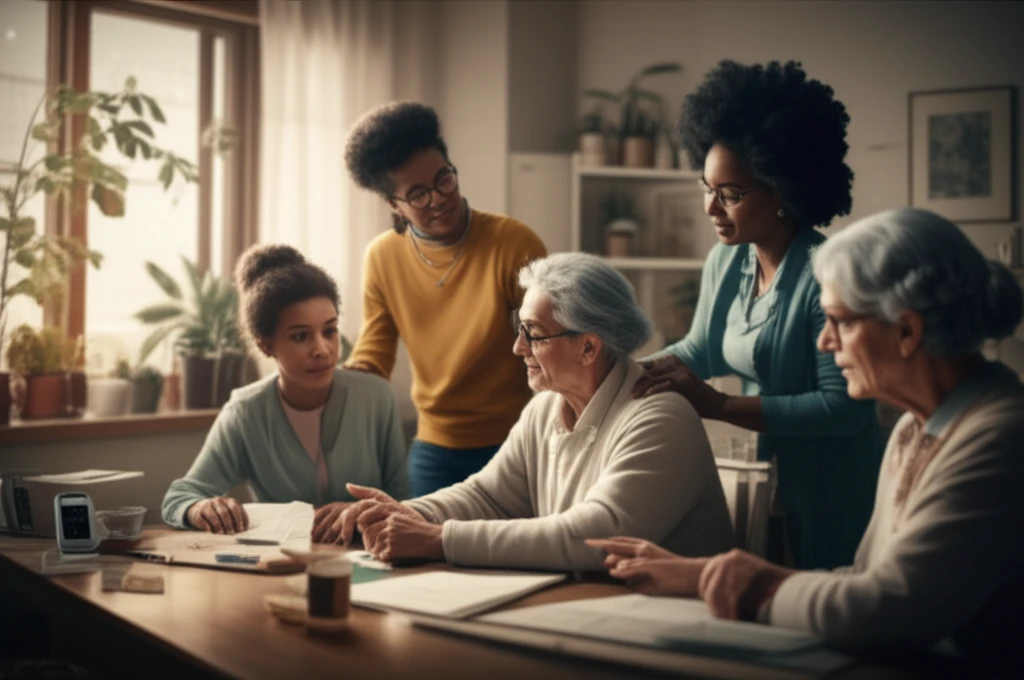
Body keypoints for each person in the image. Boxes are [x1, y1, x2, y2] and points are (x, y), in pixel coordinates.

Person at [591, 208, 1024, 673]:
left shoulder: (1000, 437)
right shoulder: (916, 427)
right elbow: (864, 580)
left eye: (839, 321)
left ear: (906, 331)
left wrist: (730, 581)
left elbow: (888, 607)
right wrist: (697, 573)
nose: (825, 343)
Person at [317, 253, 735, 570]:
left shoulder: (660, 418)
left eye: (533, 333)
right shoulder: (544, 408)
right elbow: (487, 495)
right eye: (520, 328)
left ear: (588, 347)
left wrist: (438, 538)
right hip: (596, 612)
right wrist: (403, 513)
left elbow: (596, 534)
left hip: (674, 632)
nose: (518, 347)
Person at [633, 60, 881, 569]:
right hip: (760, 478)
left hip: (829, 489)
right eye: (707, 188)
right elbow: (700, 349)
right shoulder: (727, 259)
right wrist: (618, 374)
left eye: (731, 194)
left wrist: (717, 405)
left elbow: (845, 409)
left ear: (784, 189)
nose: (711, 208)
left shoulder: (828, 275)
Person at [343, 102, 547, 497]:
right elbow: (375, 351)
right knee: (422, 552)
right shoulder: (383, 257)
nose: (438, 199)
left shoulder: (513, 243)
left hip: (518, 439)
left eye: (444, 180)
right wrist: (337, 385)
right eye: (417, 194)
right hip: (435, 448)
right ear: (393, 204)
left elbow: (552, 341)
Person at [162, 245, 409, 540]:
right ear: (265, 345)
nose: (322, 349)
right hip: (278, 565)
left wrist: (360, 510)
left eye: (329, 331)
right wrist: (199, 507)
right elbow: (180, 496)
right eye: (300, 336)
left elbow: (404, 503)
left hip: (367, 561)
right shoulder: (246, 411)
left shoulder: (376, 398)